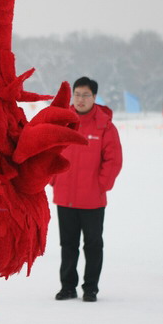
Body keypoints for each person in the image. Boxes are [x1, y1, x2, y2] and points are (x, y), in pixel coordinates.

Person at [51, 77, 123, 302]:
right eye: (77, 94)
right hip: (65, 196)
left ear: (94, 97)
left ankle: (90, 287)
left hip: (92, 198)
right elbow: (50, 151)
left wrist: (101, 185)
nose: (80, 99)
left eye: (86, 95)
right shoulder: (62, 121)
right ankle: (67, 287)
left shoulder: (105, 125)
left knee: (93, 245)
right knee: (68, 245)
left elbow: (113, 160)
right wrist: (54, 179)